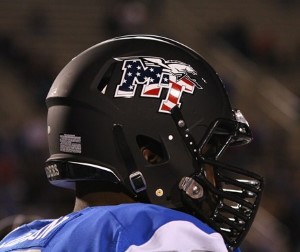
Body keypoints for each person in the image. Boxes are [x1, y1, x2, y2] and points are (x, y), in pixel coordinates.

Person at [0, 35, 264, 252]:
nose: (213, 179)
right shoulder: (158, 233)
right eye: (205, 155)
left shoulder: (18, 239)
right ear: (150, 154)